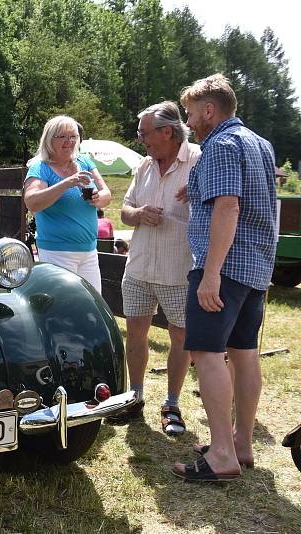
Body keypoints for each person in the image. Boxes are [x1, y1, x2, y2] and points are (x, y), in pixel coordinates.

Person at [172, 74, 277, 482]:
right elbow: (260, 202)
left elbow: (228, 207)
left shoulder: (219, 144)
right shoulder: (259, 143)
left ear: (210, 110)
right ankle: (241, 444)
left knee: (207, 352)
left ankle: (220, 455)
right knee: (245, 352)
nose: (189, 120)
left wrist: (211, 274)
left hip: (224, 266)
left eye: (191, 113)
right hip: (255, 267)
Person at [105, 101, 201, 436]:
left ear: (167, 131)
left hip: (180, 268)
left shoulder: (199, 161)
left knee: (181, 336)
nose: (140, 138)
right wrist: (139, 212)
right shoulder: (145, 166)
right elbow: (125, 211)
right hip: (140, 266)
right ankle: (136, 396)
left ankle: (172, 403)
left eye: (144, 132)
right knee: (136, 332)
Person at [23, 115, 112, 293]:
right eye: (62, 137)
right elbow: (32, 202)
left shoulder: (84, 162)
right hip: (57, 253)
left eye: (73, 137)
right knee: (62, 309)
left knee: (91, 309)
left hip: (89, 251)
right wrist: (66, 183)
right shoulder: (40, 168)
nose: (69, 141)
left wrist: (97, 198)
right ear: (49, 140)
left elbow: (107, 194)